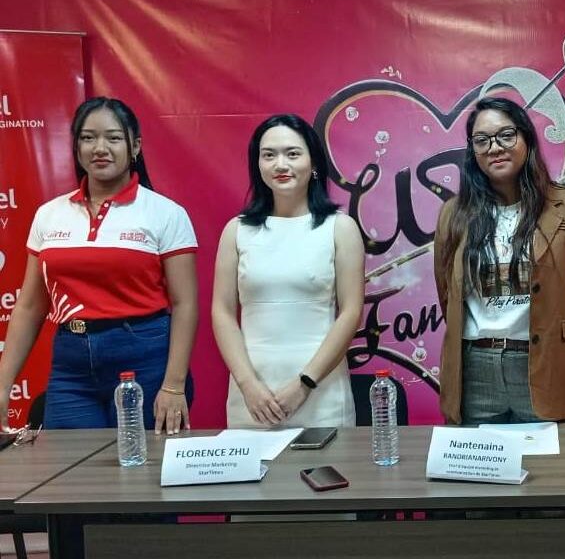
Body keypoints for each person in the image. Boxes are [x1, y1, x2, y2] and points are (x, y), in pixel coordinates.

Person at [0, 97, 197, 435]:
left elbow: (185, 304)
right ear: (76, 147)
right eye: (88, 138)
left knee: (142, 465)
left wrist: (174, 385)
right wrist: (3, 384)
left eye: (113, 138)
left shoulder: (165, 213)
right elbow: (31, 305)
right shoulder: (50, 214)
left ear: (135, 146)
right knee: (72, 466)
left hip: (145, 358)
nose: (100, 148)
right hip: (71, 363)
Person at [433, 97, 565, 425]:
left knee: (553, 459)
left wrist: (556, 338)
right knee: (478, 460)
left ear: (527, 139)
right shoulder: (453, 214)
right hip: (474, 372)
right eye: (482, 140)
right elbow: (447, 295)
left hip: (547, 367)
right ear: (472, 151)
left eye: (506, 135)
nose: (494, 148)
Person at [212, 114, 364, 428]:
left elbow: (350, 312)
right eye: (269, 155)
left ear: (313, 162)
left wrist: (305, 383)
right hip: (252, 397)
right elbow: (222, 312)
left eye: (292, 154)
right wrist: (248, 385)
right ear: (257, 165)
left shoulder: (340, 228)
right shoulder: (236, 231)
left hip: (321, 392)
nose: (280, 165)